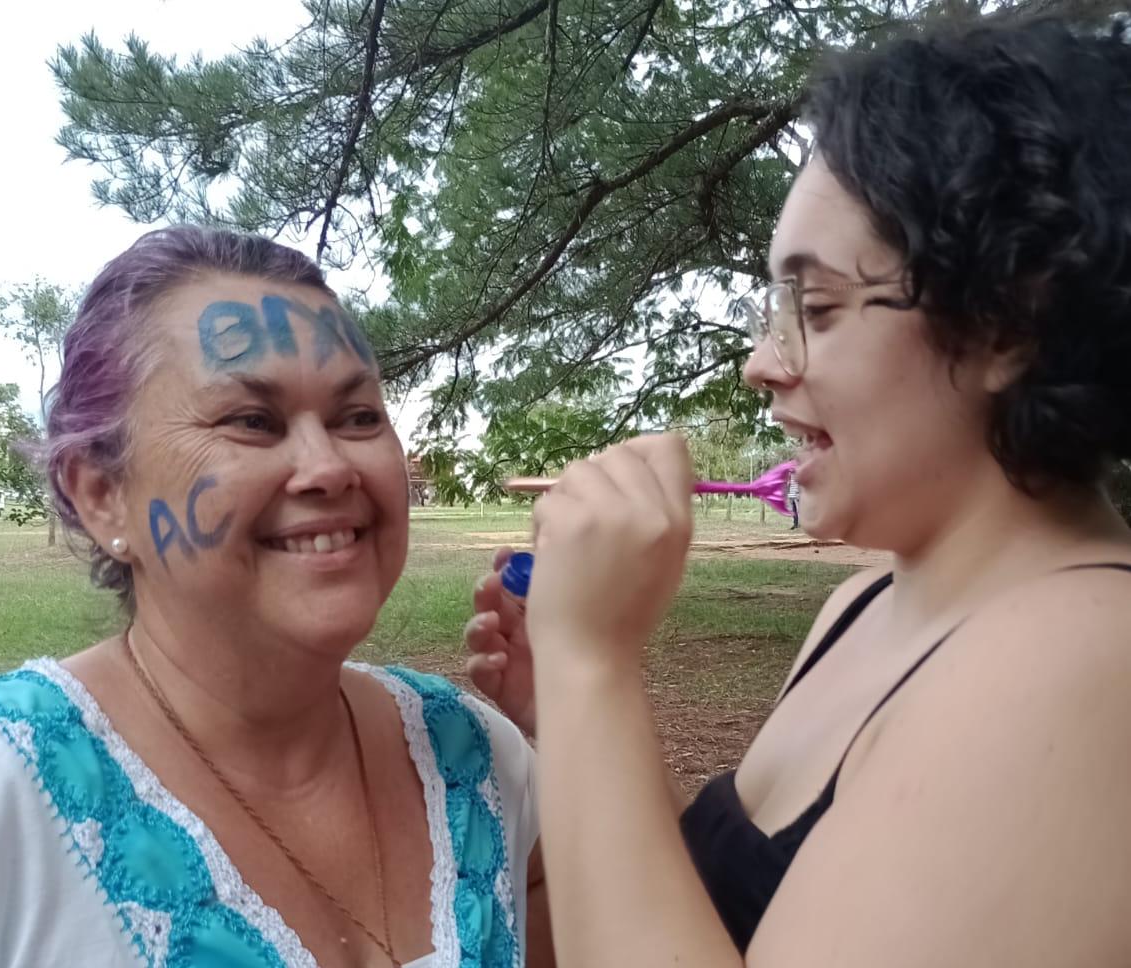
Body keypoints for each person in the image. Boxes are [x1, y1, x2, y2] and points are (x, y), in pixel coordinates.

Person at [464, 18, 1131, 967]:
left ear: (1005, 324)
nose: (760, 363)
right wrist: (574, 720)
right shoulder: (862, 607)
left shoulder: (1087, 661)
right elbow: (731, 918)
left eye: (813, 308)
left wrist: (590, 667)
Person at [0, 226, 551, 968]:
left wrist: (578, 710)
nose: (329, 467)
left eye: (358, 417)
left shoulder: (478, 760)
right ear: (101, 494)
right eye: (253, 422)